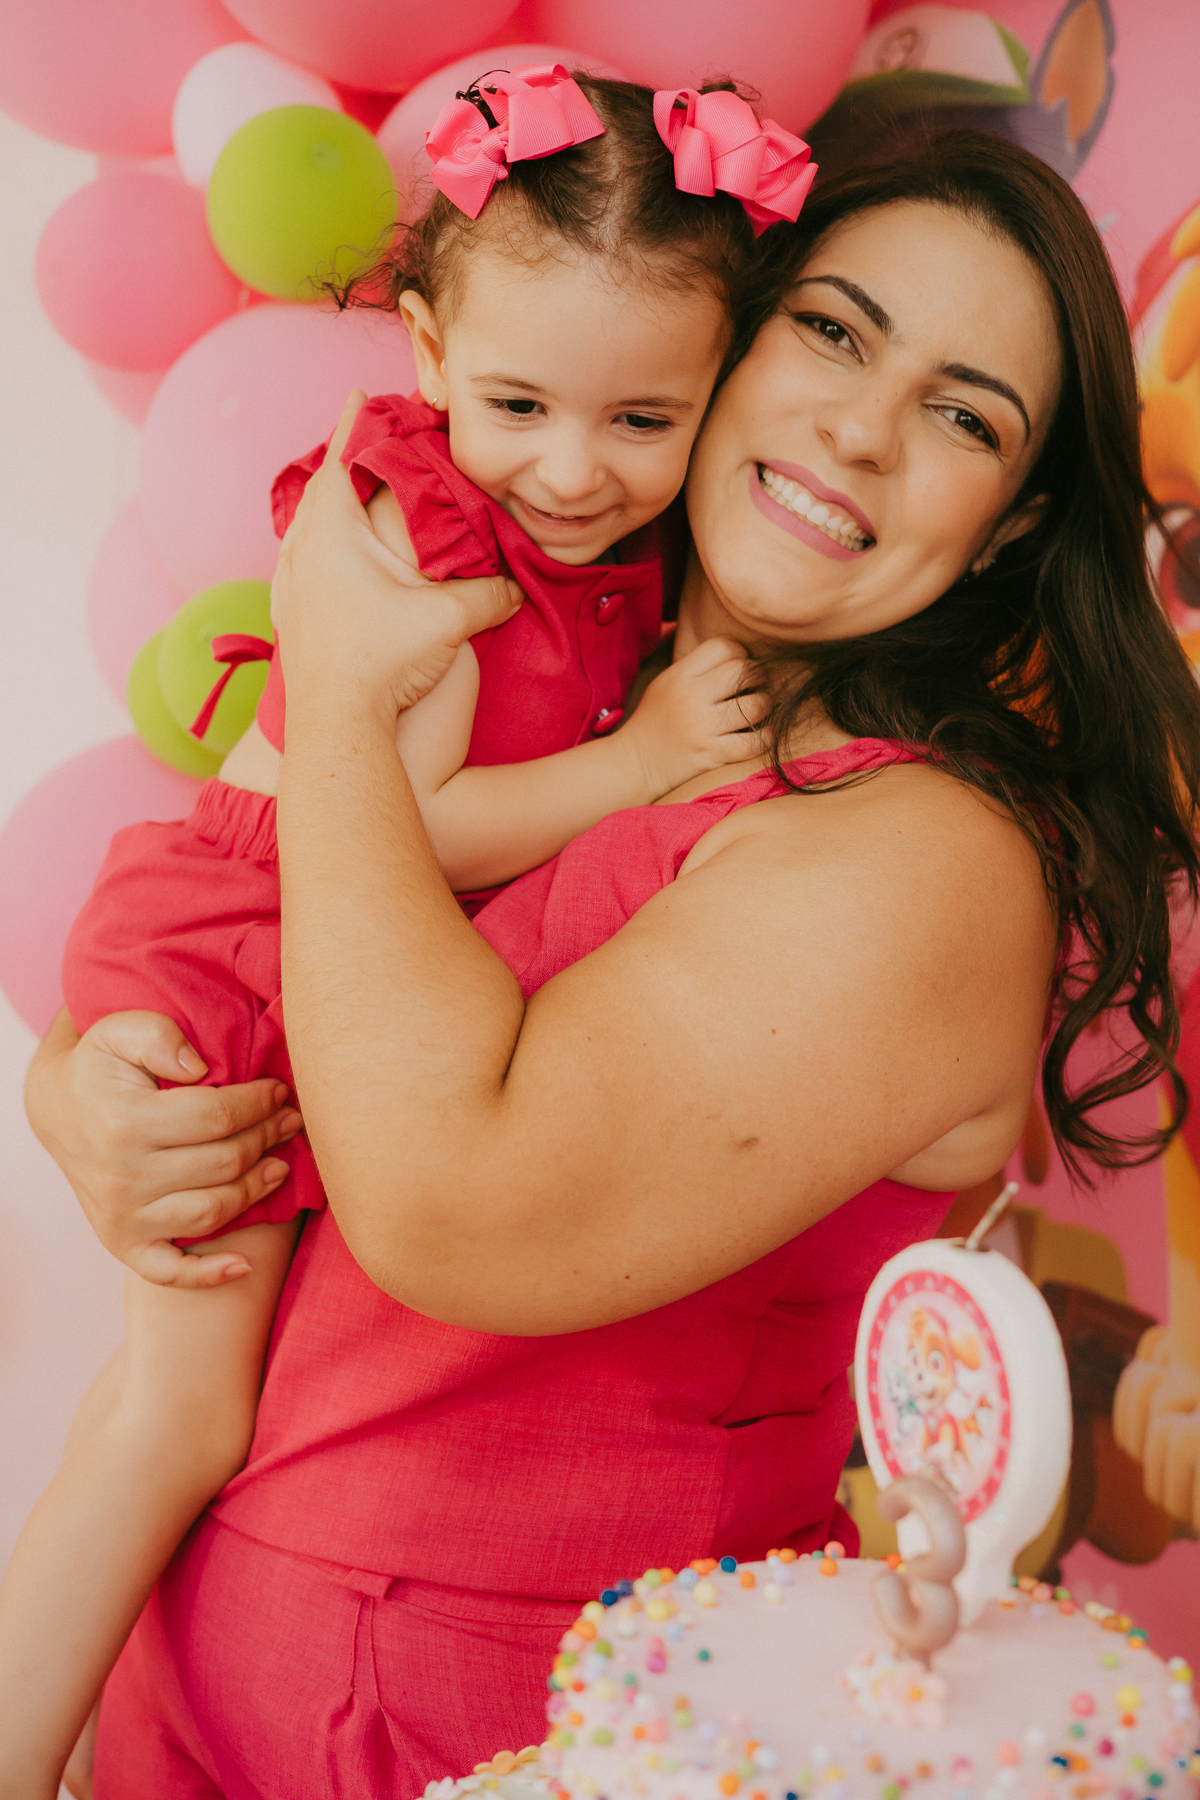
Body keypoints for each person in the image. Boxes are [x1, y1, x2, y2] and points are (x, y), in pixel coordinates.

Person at [22, 132, 1200, 1798]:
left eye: (965, 417)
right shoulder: (569, 673)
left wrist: (342, 690)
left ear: (1008, 528)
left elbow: (450, 1200)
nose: (861, 428)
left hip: (534, 1729)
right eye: (835, 332)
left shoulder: (929, 861)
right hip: (193, 1669)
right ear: (722, 348)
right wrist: (95, 1091)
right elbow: (271, 928)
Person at [0, 70, 818, 1800]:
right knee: (175, 1418)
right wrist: (643, 766)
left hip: (321, 958)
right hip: (241, 948)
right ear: (431, 351)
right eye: (519, 402)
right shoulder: (419, 527)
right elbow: (392, 822)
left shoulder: (624, 536)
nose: (573, 469)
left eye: (642, 419)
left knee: (210, 1408)